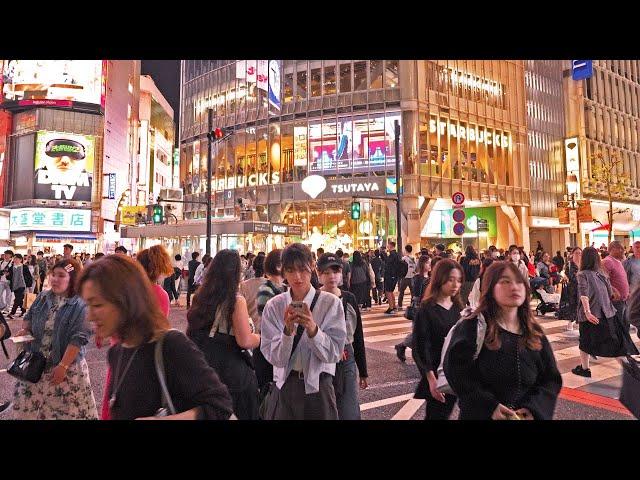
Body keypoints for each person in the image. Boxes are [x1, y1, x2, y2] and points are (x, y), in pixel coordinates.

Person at [79, 254, 234, 420]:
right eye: (87, 305)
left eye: (97, 305)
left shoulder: (171, 346)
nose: (90, 316)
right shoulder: (117, 352)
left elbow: (220, 406)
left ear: (125, 299)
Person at [444, 261, 563, 420]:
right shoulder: (474, 326)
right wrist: (488, 406)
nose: (514, 286)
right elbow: (457, 372)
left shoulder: (534, 332)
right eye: (505, 281)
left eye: (519, 281)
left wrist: (534, 408)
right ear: (490, 288)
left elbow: (551, 379)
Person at [260, 243, 346, 420]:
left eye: (303, 269)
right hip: (285, 386)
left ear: (312, 267)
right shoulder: (274, 306)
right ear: (283, 272)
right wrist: (287, 333)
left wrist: (313, 330)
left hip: (319, 386)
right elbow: (274, 357)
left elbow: (334, 353)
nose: (297, 277)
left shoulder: (331, 303)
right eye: (290, 270)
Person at [11, 258, 97, 419]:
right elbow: (29, 316)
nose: (55, 279)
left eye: (61, 275)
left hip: (65, 368)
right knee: (27, 410)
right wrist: (25, 330)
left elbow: (79, 338)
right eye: (53, 275)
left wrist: (63, 366)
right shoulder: (43, 296)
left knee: (66, 412)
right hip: (35, 365)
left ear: (72, 279)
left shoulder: (81, 304)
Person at [187, 249, 261, 420]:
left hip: (204, 368)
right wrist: (262, 338)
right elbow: (245, 340)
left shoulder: (201, 296)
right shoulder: (235, 300)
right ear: (236, 273)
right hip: (232, 374)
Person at [572, 247, 639, 377]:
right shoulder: (601, 273)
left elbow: (583, 294)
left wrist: (587, 312)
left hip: (591, 315)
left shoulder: (582, 274)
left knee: (585, 341)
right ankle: (630, 370)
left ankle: (585, 369)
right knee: (614, 343)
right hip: (608, 313)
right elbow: (610, 294)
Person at [317, 253, 368, 419]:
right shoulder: (313, 299)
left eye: (336, 271)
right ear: (318, 274)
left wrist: (363, 371)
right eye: (326, 272)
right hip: (320, 360)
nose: (332, 276)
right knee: (324, 410)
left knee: (349, 410)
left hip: (346, 358)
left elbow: (358, 335)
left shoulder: (349, 298)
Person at [412, 259, 464, 419]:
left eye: (459, 280)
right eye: (450, 280)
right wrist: (431, 379)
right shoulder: (427, 309)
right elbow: (421, 346)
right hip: (438, 375)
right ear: (439, 279)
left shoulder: (459, 308)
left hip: (459, 373)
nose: (455, 285)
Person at [254, 250, 285, 397]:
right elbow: (270, 320)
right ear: (279, 266)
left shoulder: (283, 288)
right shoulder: (266, 289)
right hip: (268, 347)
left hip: (280, 345)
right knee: (269, 395)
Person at [395, 255, 433, 362]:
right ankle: (404, 347)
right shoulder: (418, 278)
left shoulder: (426, 279)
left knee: (421, 333)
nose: (429, 266)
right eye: (427, 263)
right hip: (419, 309)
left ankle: (402, 346)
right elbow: (417, 296)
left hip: (424, 308)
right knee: (419, 333)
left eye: (430, 263)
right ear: (422, 264)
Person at [603, 241, 631, 327]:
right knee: (618, 326)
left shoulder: (618, 261)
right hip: (615, 301)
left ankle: (624, 341)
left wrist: (627, 292)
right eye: (620, 248)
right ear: (612, 249)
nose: (623, 250)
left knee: (625, 325)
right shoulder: (608, 261)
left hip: (623, 300)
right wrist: (613, 291)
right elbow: (603, 280)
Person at [239, 254, 267, 330]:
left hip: (248, 328)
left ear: (253, 267)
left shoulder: (244, 285)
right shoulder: (272, 285)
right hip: (266, 329)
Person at [559, 247, 582, 330]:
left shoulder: (583, 264)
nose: (578, 255)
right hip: (572, 289)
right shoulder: (570, 264)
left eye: (580, 253)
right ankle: (570, 322)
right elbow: (571, 276)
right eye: (576, 253)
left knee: (580, 305)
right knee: (573, 305)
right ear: (572, 254)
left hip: (581, 288)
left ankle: (579, 321)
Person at [7, 254, 31, 319]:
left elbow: (29, 276)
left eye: (16, 258)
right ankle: (23, 311)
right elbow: (9, 277)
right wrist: (7, 275)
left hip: (22, 285)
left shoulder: (24, 267)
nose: (15, 260)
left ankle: (12, 313)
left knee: (17, 299)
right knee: (19, 300)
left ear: (20, 259)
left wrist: (29, 285)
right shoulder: (11, 267)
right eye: (14, 258)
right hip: (15, 286)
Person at [384, 240, 402, 314]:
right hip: (394, 275)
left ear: (391, 246)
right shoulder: (397, 254)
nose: (387, 247)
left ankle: (391, 308)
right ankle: (393, 307)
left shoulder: (392, 254)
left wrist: (384, 255)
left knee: (388, 291)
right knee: (391, 291)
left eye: (388, 245)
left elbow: (388, 263)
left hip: (391, 275)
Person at [398, 245, 417, 309]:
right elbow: (416, 268)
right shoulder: (414, 258)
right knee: (413, 293)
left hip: (405, 277)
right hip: (412, 277)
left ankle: (400, 305)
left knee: (401, 292)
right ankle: (412, 305)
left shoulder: (404, 258)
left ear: (406, 250)